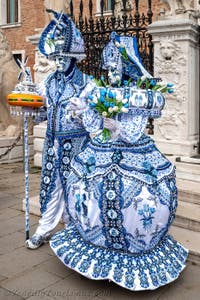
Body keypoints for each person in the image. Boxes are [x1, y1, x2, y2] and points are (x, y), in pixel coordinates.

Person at [48, 33, 188, 291]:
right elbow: (93, 128)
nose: (111, 70)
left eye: (116, 65)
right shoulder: (100, 91)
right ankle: (94, 242)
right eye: (108, 65)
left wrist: (117, 128)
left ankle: (135, 247)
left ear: (126, 66)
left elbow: (134, 131)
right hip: (100, 151)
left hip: (133, 153)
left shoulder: (134, 92)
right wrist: (82, 112)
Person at [26, 11, 95, 249]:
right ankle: (44, 228)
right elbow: (43, 112)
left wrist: (83, 110)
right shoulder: (48, 83)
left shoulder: (87, 84)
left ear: (74, 57)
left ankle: (75, 230)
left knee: (76, 189)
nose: (59, 61)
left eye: (63, 57)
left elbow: (96, 119)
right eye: (56, 56)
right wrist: (30, 110)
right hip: (52, 144)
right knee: (50, 186)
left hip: (77, 146)